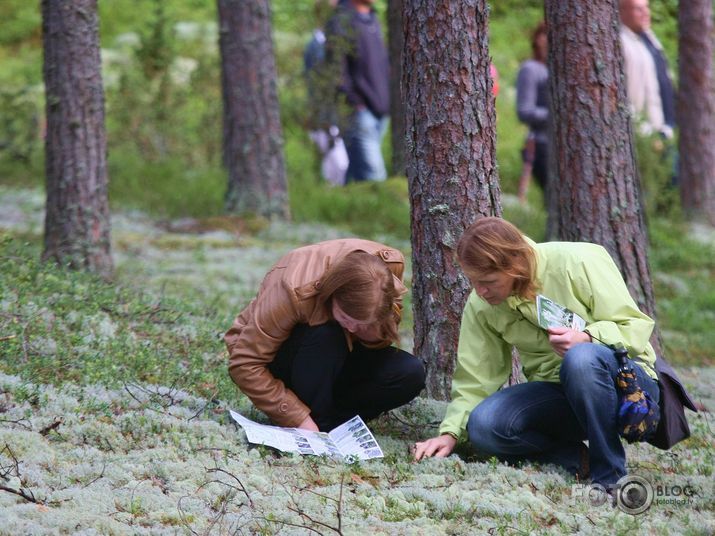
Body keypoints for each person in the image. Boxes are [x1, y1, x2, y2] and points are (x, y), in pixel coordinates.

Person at [413, 218, 661, 490]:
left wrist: (589, 338)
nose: (480, 292)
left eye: (488, 282)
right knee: (484, 426)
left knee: (580, 359)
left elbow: (636, 328)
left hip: (628, 388)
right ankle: (575, 458)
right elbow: (476, 377)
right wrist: (450, 433)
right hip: (561, 398)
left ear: (514, 265)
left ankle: (610, 477)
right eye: (473, 281)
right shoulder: (482, 305)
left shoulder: (577, 260)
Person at [225, 238, 425, 432]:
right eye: (347, 319)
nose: (353, 329)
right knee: (327, 333)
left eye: (359, 324)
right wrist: (297, 417)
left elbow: (374, 343)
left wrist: (374, 326)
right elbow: (244, 363)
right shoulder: (292, 288)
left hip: (335, 360)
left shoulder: (391, 266)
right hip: (287, 358)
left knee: (410, 372)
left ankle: (332, 427)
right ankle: (314, 423)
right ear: (334, 294)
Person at [325, 0, 390, 183]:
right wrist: (355, 103)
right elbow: (336, 69)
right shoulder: (340, 21)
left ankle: (350, 209)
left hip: (380, 109)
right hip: (358, 112)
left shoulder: (372, 19)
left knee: (357, 175)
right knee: (374, 176)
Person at [304, 0, 349, 186]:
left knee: (336, 167)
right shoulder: (317, 47)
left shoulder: (324, 44)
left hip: (330, 116)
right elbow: (320, 87)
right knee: (338, 166)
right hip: (325, 118)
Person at [619, 0, 676, 139]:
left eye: (647, 8)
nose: (646, 13)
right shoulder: (621, 42)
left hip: (665, 129)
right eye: (639, 9)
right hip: (645, 134)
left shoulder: (647, 36)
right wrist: (639, 128)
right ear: (622, 12)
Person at [515, 22, 550, 204]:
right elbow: (525, 111)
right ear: (537, 39)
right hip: (541, 145)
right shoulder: (531, 69)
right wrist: (555, 116)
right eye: (544, 34)